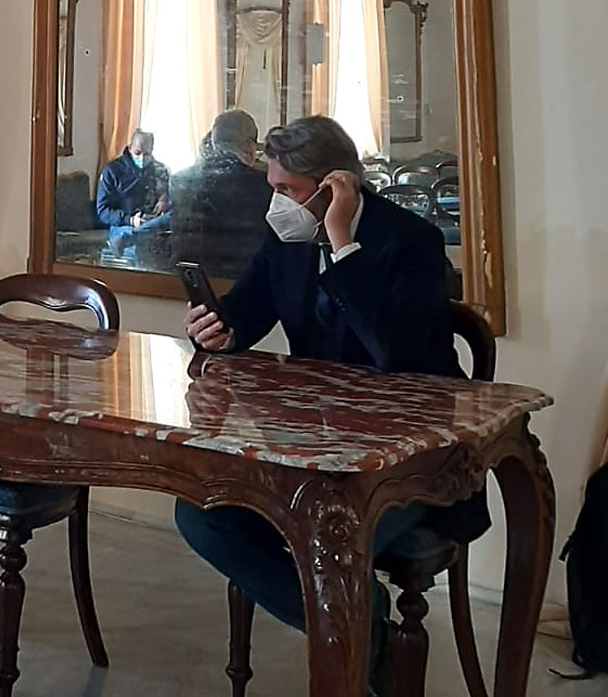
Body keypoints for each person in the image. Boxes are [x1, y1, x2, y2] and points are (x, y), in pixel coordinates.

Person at [174, 115, 484, 691]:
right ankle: (370, 637)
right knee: (201, 514)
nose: (275, 203)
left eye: (287, 189)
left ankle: (355, 646)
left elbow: (394, 354)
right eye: (272, 186)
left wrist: (343, 245)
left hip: (406, 457)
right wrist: (219, 329)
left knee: (323, 533)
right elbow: (247, 310)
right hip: (313, 448)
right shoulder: (286, 238)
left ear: (334, 186)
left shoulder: (412, 242)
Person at [167, 110, 272, 279]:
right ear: (248, 145)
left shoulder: (181, 180)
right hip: (242, 282)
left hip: (188, 280)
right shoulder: (263, 183)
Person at [96, 130, 171, 259]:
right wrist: (130, 220)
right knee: (139, 247)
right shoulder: (112, 171)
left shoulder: (160, 170)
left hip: (154, 224)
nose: (142, 158)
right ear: (130, 147)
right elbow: (103, 211)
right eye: (137, 153)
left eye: (147, 154)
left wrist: (164, 200)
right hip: (123, 225)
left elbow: (171, 200)